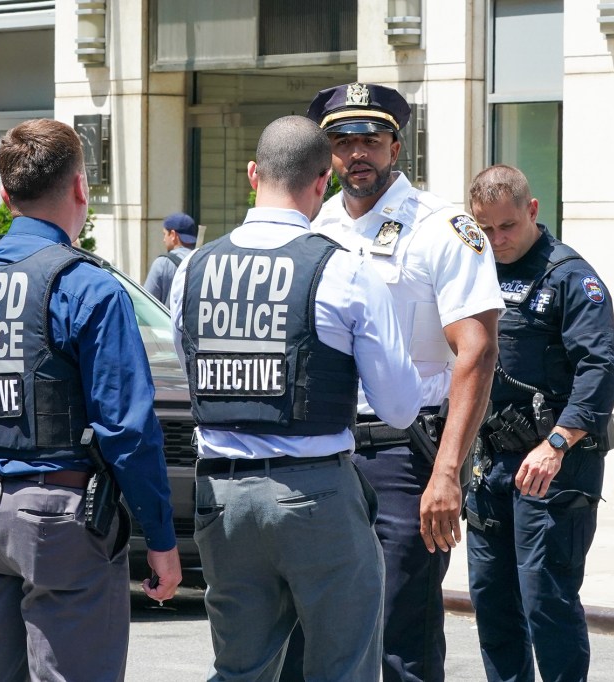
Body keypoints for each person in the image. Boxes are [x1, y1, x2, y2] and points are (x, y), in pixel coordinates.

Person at [0, 118, 182, 682]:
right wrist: (160, 538)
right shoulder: (86, 285)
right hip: (56, 518)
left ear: (5, 195)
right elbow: (128, 430)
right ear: (80, 188)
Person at [170, 114, 423, 681]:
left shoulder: (194, 268)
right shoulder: (346, 269)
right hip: (314, 493)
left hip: (220, 495)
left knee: (241, 669)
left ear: (253, 174)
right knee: (344, 667)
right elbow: (400, 407)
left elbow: (193, 371)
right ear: (322, 184)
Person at [287, 82, 503, 682]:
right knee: (315, 629)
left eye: (371, 139)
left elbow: (477, 352)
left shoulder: (443, 227)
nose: (358, 152)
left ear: (396, 145)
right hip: (323, 451)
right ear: (325, 152)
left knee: (402, 633)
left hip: (405, 457)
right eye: (342, 140)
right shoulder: (313, 227)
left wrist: (447, 472)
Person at [464, 164, 614, 682]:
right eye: (484, 229)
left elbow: (600, 369)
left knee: (545, 599)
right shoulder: (474, 270)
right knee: (493, 603)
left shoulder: (571, 276)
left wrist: (558, 441)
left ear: (532, 211)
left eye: (506, 227)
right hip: (492, 466)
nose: (497, 239)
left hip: (555, 466)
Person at [144, 212, 198, 306]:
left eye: (164, 234)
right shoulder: (203, 260)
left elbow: (146, 304)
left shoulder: (162, 263)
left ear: (173, 235)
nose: (164, 240)